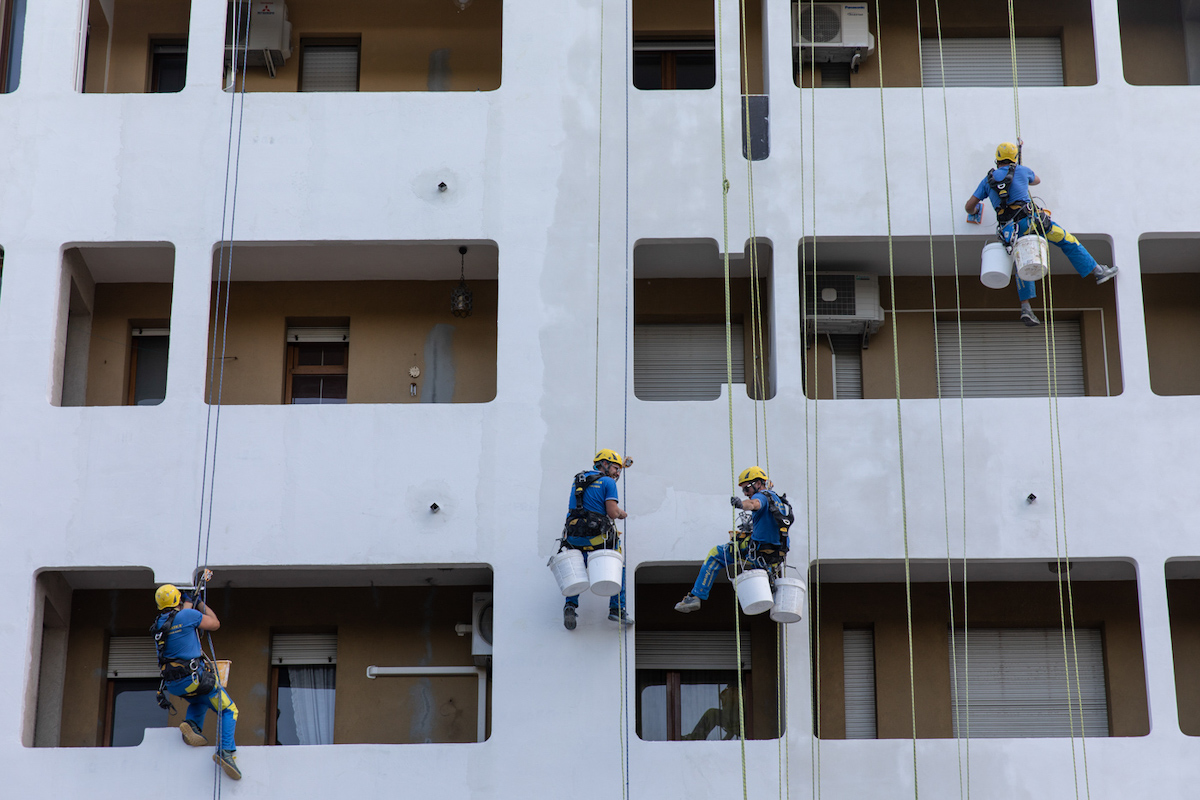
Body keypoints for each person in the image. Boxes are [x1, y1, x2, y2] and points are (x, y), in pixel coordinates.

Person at [965, 141, 1117, 327]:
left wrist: (975, 212)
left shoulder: (987, 181)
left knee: (1023, 261)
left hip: (1009, 232)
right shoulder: (1021, 171)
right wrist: (1020, 167)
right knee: (1067, 240)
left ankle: (1026, 308)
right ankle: (1097, 271)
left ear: (996, 159)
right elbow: (1036, 180)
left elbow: (969, 206)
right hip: (1032, 223)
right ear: (1014, 159)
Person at [151, 583, 241, 780]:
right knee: (229, 710)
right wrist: (199, 603)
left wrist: (189, 603)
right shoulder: (187, 616)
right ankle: (226, 751)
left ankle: (191, 724)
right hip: (194, 678)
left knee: (200, 699)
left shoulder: (158, 624)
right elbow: (215, 624)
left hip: (174, 684)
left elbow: (179, 621)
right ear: (178, 601)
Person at [675, 466, 789, 613]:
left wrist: (741, 504)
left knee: (715, 554)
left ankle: (696, 596)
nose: (746, 493)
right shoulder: (778, 500)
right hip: (776, 555)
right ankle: (771, 588)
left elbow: (754, 504)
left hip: (758, 550)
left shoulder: (760, 497)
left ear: (758, 483)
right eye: (744, 491)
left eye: (747, 489)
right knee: (758, 570)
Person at [560, 448, 633, 630]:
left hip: (574, 537)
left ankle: (570, 605)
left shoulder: (578, 479)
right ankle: (617, 608)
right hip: (598, 538)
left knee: (577, 569)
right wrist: (622, 514)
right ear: (605, 464)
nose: (617, 473)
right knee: (618, 561)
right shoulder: (608, 482)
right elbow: (612, 512)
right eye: (616, 468)